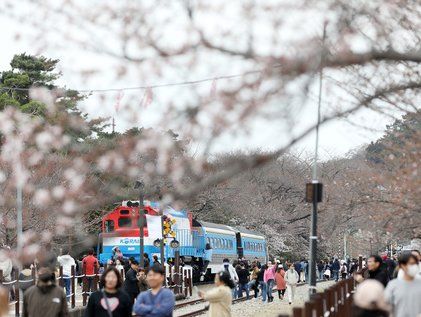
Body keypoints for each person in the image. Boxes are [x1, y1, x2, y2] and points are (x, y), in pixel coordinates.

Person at [385, 252, 421, 317]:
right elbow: (387, 306)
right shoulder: (393, 285)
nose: (415, 266)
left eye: (416, 264)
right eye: (411, 264)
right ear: (402, 265)